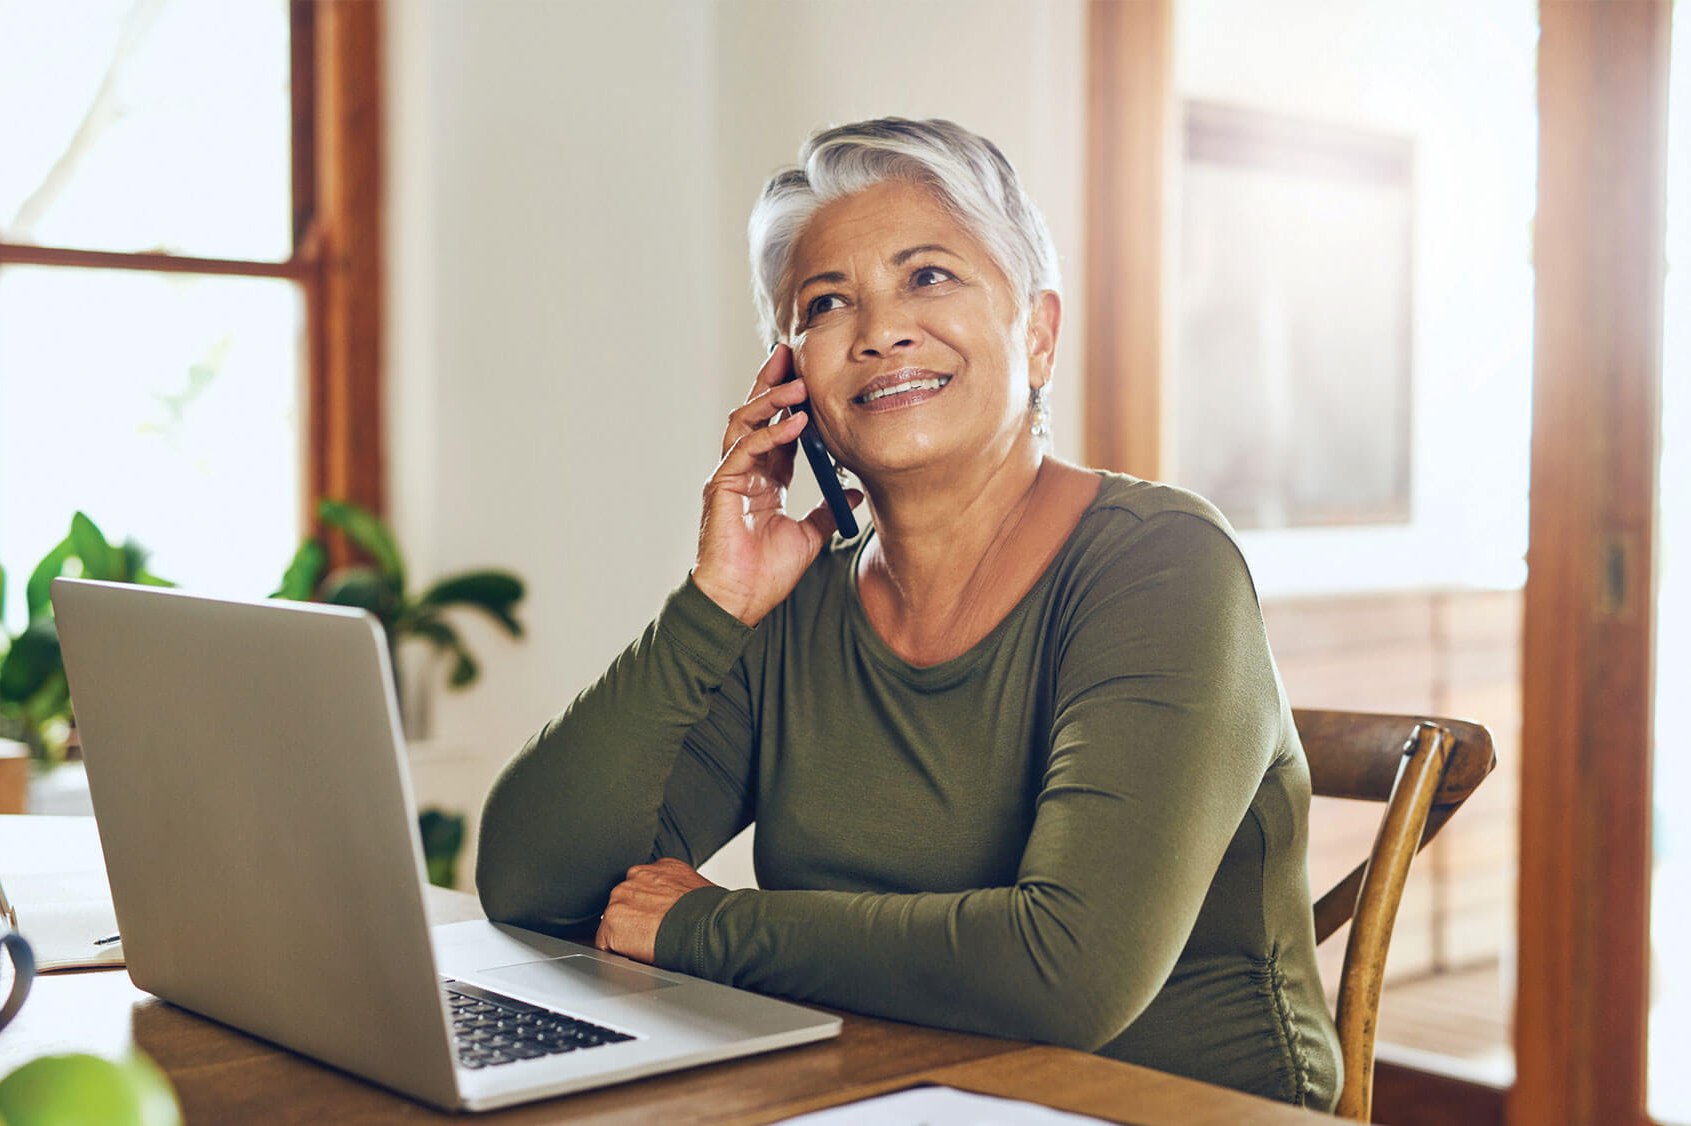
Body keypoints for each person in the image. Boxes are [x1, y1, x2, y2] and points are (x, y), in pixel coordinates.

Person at [477, 117, 1341, 1110]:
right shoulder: (797, 603)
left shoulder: (1163, 563)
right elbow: (537, 885)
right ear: (790, 382)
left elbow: (1068, 969)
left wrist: (702, 926)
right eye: (827, 302)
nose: (879, 328)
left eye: (928, 276)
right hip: (877, 1092)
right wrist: (713, 604)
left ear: (1039, 332)